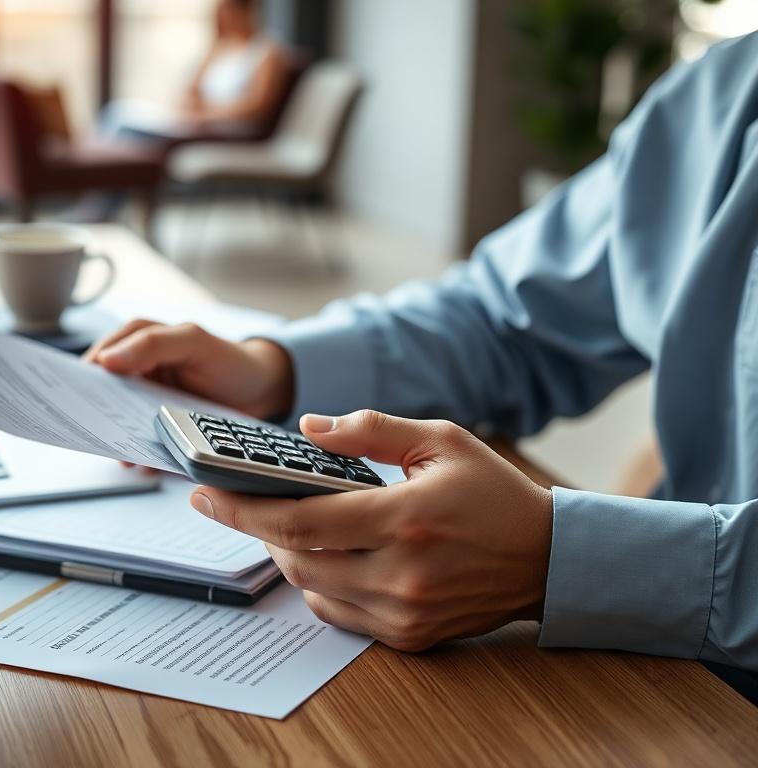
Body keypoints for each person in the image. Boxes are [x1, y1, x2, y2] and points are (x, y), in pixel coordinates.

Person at [87, 33, 758, 676]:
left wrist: (565, 563)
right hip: (660, 676)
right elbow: (505, 317)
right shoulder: (723, 94)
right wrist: (277, 371)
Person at [99, 0, 288, 143]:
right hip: (193, 121)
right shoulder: (221, 49)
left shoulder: (266, 49)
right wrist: (213, 48)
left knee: (125, 130)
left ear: (247, 11)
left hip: (223, 127)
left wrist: (208, 115)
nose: (224, 17)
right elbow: (189, 92)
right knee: (118, 112)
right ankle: (104, 185)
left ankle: (104, 186)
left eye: (228, 10)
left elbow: (257, 107)